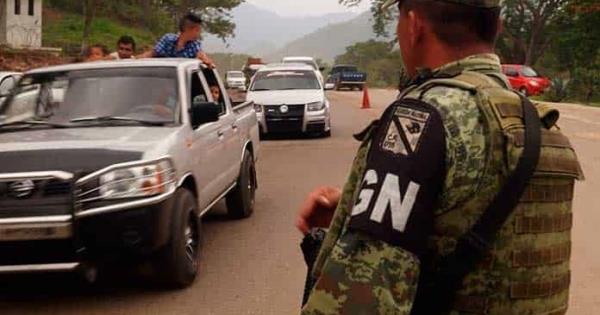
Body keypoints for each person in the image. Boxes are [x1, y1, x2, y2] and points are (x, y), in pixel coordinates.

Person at [296, 0, 583, 314]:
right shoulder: (542, 126)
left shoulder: (419, 120)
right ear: (497, 28)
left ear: (414, 26)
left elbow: (357, 301)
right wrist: (355, 206)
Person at [139, 13, 215, 68]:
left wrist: (207, 61)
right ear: (187, 29)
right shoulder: (167, 39)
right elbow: (152, 53)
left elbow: (201, 55)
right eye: (197, 30)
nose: (199, 33)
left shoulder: (194, 45)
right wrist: (136, 60)